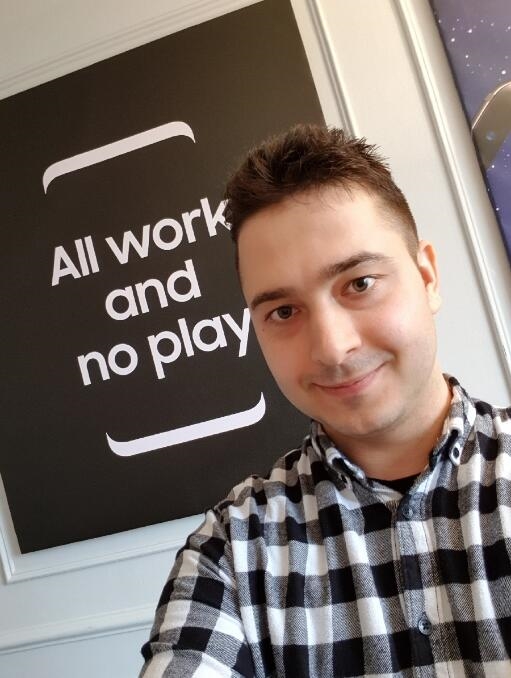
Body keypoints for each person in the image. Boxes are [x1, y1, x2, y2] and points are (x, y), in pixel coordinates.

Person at [140, 124, 511, 676]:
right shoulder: (232, 551)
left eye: (359, 283)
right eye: (283, 311)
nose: (333, 348)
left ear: (427, 276)